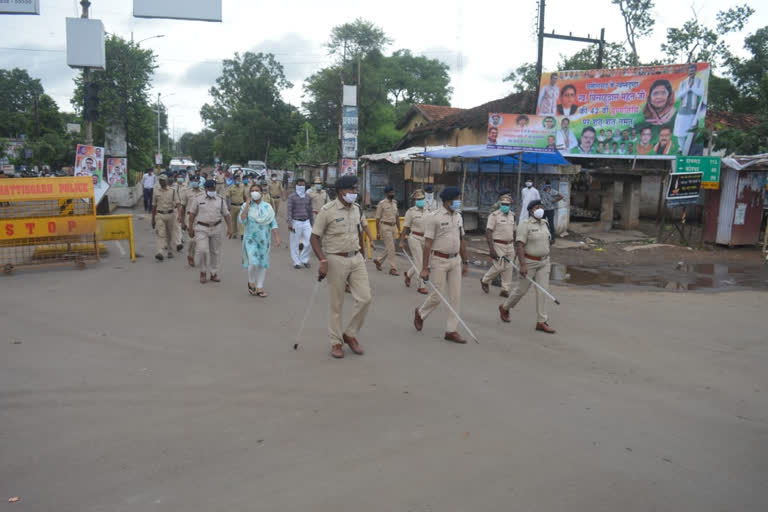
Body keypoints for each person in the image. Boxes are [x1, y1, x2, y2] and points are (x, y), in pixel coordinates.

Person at [310, 175, 371, 359]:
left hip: (356, 258)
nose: (354, 193)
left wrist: (362, 251)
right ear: (340, 191)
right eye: (351, 190)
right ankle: (336, 342)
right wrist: (322, 260)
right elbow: (314, 238)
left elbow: (360, 231)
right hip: (335, 259)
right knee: (336, 304)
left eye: (355, 189)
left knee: (365, 298)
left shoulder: (357, 209)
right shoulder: (327, 211)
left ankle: (350, 334)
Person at [413, 187, 469, 344]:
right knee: (437, 295)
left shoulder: (458, 216)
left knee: (455, 297)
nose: (458, 201)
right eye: (456, 199)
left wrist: (465, 261)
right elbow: (428, 243)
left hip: (455, 260)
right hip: (439, 260)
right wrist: (425, 268)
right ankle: (421, 313)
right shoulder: (434, 217)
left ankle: (451, 330)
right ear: (447, 201)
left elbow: (462, 239)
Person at [498, 199, 556, 334]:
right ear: (531, 210)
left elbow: (547, 241)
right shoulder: (525, 225)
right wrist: (523, 265)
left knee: (542, 291)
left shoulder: (545, 223)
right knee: (521, 290)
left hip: (544, 262)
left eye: (541, 206)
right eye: (537, 207)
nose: (540, 209)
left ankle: (541, 322)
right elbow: (519, 245)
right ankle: (505, 307)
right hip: (529, 263)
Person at [188, 179, 232, 284]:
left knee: (215, 252)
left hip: (216, 227)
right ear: (206, 188)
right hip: (201, 228)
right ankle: (203, 272)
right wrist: (190, 227)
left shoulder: (220, 199)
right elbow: (192, 214)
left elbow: (226, 214)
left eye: (214, 188)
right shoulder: (198, 198)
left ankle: (213, 273)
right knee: (202, 250)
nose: (212, 190)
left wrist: (230, 228)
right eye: (210, 188)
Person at [239, 183, 280, 297]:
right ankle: (251, 281)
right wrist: (247, 205)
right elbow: (242, 220)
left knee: (262, 264)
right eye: (252, 190)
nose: (254, 192)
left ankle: (260, 287)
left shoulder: (268, 207)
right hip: (250, 239)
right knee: (253, 262)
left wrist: (276, 237)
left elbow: (273, 222)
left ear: (261, 193)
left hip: (264, 239)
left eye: (257, 190)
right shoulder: (245, 206)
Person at [480, 193, 516, 298]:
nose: (505, 206)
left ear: (510, 205)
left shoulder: (512, 215)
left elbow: (514, 231)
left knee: (508, 268)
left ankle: (505, 289)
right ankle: (485, 280)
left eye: (507, 204)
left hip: (510, 244)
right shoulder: (494, 215)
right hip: (498, 244)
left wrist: (515, 245)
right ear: (500, 204)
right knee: (499, 267)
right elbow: (488, 231)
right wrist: (491, 248)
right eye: (503, 203)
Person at [399, 189, 429, 295]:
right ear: (415, 200)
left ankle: (408, 274)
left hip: (426, 239)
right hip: (414, 238)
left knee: (423, 262)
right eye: (418, 199)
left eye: (422, 199)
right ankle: (421, 285)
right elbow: (405, 227)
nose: (421, 200)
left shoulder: (428, 210)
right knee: (420, 263)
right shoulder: (410, 212)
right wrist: (402, 241)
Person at [673, 64, 706, 152]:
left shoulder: (699, 82)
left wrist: (692, 87)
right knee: (680, 130)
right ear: (688, 72)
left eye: (693, 71)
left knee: (691, 131)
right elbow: (679, 95)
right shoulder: (683, 83)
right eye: (690, 71)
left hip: (693, 111)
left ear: (695, 71)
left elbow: (701, 93)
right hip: (683, 110)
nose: (691, 72)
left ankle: (689, 148)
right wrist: (688, 88)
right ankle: (681, 148)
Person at [151, 174, 182, 261]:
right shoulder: (156, 191)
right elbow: (153, 206)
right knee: (161, 234)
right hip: (160, 215)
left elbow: (178, 204)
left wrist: (179, 215)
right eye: (160, 180)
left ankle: (170, 250)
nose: (161, 182)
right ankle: (160, 252)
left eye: (163, 180)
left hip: (171, 215)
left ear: (167, 181)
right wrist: (152, 219)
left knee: (170, 234)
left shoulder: (172, 191)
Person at [286, 178, 314, 269]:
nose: (301, 187)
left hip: (306, 222)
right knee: (294, 243)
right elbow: (289, 211)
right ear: (296, 186)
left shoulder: (308, 197)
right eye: (299, 185)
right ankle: (296, 262)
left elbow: (310, 211)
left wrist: (312, 223)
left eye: (303, 185)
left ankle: (304, 259)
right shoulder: (292, 197)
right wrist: (290, 223)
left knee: (311, 241)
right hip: (295, 222)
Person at [374, 185, 400, 276]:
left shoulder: (395, 203)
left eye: (393, 192)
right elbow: (377, 218)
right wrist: (377, 232)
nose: (392, 194)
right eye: (390, 192)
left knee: (390, 247)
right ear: (386, 194)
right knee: (391, 248)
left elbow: (397, 217)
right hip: (385, 227)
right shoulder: (382, 204)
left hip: (393, 227)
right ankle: (393, 268)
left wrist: (399, 229)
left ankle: (379, 260)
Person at [181, 176, 204, 266]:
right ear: (191, 182)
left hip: (200, 217)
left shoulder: (203, 192)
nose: (195, 182)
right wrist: (182, 221)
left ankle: (196, 256)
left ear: (199, 181)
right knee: (192, 239)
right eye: (193, 180)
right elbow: (183, 207)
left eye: (197, 180)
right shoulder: (187, 192)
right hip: (189, 217)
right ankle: (190, 255)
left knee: (199, 239)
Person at [227, 175, 247, 240]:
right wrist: (228, 206)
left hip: (241, 206)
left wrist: (246, 205)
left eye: (239, 179)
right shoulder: (230, 187)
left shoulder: (242, 187)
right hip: (233, 206)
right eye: (237, 179)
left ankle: (242, 234)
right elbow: (227, 197)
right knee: (233, 220)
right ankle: (234, 233)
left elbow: (245, 196)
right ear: (234, 180)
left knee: (241, 220)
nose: (238, 180)